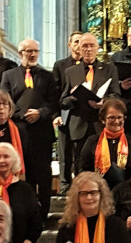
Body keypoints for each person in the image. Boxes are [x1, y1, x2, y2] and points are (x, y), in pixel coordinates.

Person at [1, 38, 59, 221]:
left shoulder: (47, 76)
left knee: (43, 174)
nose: (33, 54)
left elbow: (54, 103)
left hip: (42, 133)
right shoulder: (9, 76)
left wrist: (40, 113)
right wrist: (22, 114)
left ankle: (43, 213)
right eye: (29, 51)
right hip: (20, 132)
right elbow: (5, 101)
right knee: (25, 174)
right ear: (21, 53)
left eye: (35, 51)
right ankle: (27, 212)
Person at [60, 33, 122, 175]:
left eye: (91, 46)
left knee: (104, 165)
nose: (88, 49)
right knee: (80, 166)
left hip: (101, 124)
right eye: (84, 46)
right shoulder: (70, 72)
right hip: (79, 126)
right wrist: (74, 97)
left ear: (97, 48)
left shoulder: (109, 69)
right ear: (79, 48)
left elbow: (116, 95)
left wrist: (104, 102)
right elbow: (63, 102)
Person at [0, 142, 42, 243]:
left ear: (14, 160)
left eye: (6, 156)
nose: (1, 160)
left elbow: (36, 225)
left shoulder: (25, 189)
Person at [80, 98, 131, 189]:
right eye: (112, 117)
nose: (116, 121)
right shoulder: (92, 141)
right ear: (103, 120)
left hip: (126, 192)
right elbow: (84, 170)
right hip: (98, 191)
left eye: (119, 117)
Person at [53, 31, 84, 194]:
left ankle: (80, 184)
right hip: (65, 112)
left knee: (80, 152)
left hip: (82, 114)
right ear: (69, 45)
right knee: (64, 150)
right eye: (76, 41)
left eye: (82, 42)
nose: (79, 45)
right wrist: (56, 115)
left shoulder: (89, 65)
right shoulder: (60, 65)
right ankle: (65, 185)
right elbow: (55, 92)